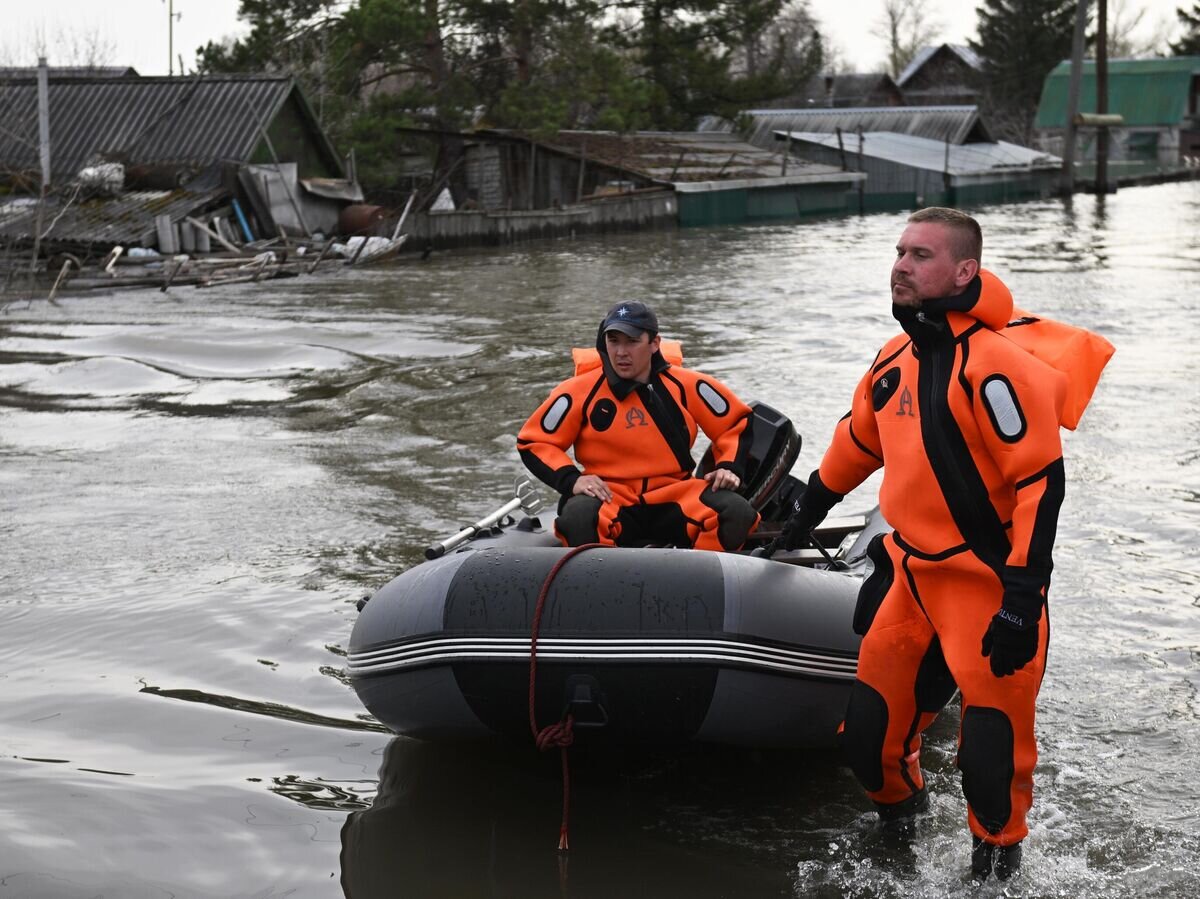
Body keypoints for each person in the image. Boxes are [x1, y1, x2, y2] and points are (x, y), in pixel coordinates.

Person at [782, 207, 1097, 881]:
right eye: (899, 252)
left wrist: (1022, 600)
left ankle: (995, 877)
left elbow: (1041, 486)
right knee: (869, 747)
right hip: (910, 577)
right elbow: (858, 443)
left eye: (920, 255)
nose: (901, 265)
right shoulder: (892, 359)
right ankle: (902, 854)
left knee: (989, 767)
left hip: (989, 586)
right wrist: (806, 509)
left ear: (963, 272)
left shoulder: (998, 367)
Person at [518, 301, 759, 551]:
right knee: (579, 518)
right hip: (610, 495)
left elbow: (735, 423)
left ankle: (700, 572)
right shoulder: (578, 391)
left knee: (736, 512)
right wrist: (572, 480)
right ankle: (605, 574)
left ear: (654, 343)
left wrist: (728, 466)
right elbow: (535, 441)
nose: (621, 352)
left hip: (676, 492)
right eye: (613, 341)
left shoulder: (687, 385)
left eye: (632, 341)